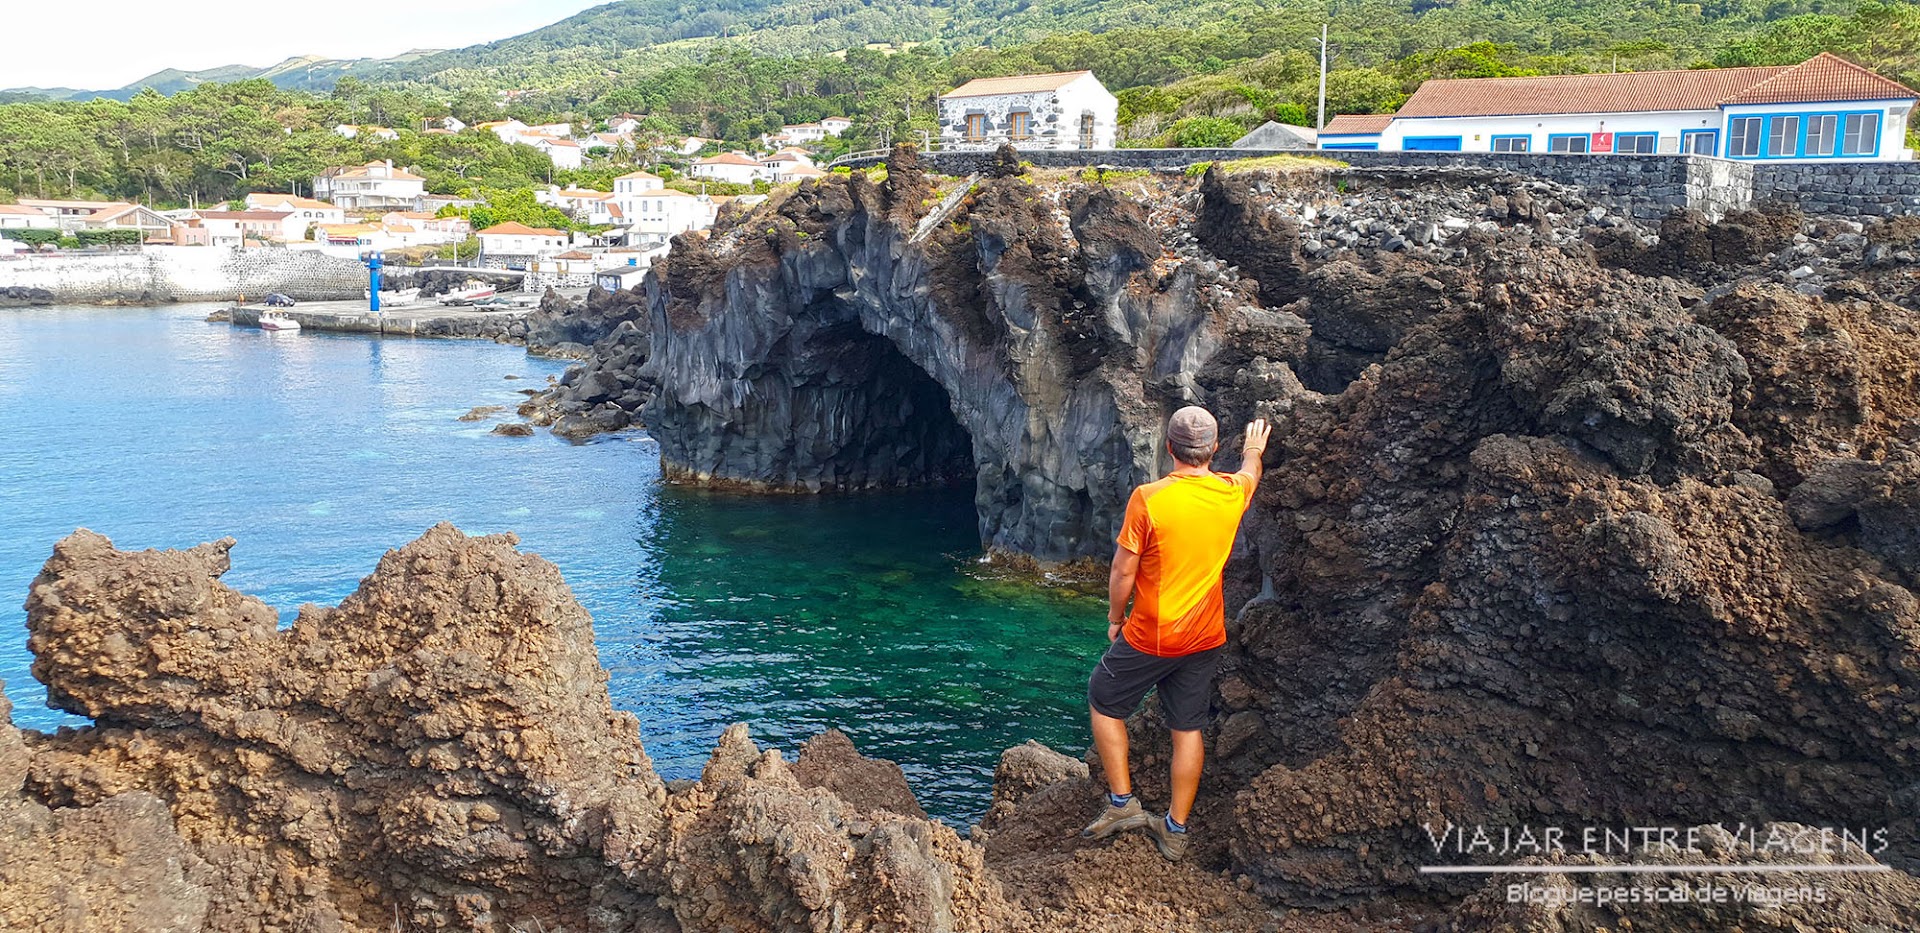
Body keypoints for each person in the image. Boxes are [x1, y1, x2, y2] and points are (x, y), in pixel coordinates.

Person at [1080, 405, 1269, 861]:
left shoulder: (1150, 498)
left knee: (1103, 702)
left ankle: (1123, 805)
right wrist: (1253, 448)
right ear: (1214, 449)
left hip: (1152, 635)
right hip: (1205, 638)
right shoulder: (1230, 492)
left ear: (1169, 449)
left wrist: (1113, 616)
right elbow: (1250, 472)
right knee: (1188, 730)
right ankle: (1176, 829)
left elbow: (1123, 569)